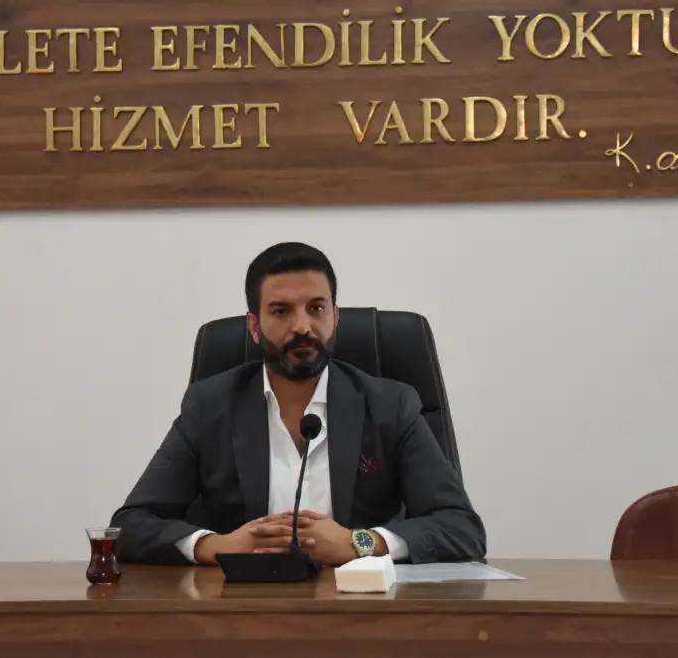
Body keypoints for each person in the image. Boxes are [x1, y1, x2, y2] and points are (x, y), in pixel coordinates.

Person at [111, 242, 486, 566]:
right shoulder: (209, 406)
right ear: (254, 326)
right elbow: (130, 525)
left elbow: (462, 528)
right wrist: (216, 546)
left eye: (317, 308)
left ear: (335, 317)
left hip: (362, 608)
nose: (303, 326)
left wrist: (360, 543)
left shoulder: (390, 405)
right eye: (281, 311)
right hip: (240, 608)